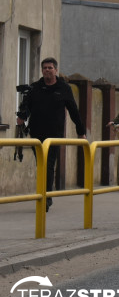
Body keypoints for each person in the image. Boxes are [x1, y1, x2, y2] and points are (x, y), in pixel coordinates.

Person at [16, 57, 87, 211]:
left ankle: (46, 197)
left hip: (54, 134)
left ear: (55, 70)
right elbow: (26, 107)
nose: (47, 70)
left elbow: (74, 111)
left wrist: (81, 132)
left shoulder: (63, 88)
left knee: (48, 164)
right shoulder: (35, 88)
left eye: (50, 67)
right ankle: (44, 194)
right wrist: (22, 117)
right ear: (42, 71)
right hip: (36, 133)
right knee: (41, 164)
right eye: (45, 68)